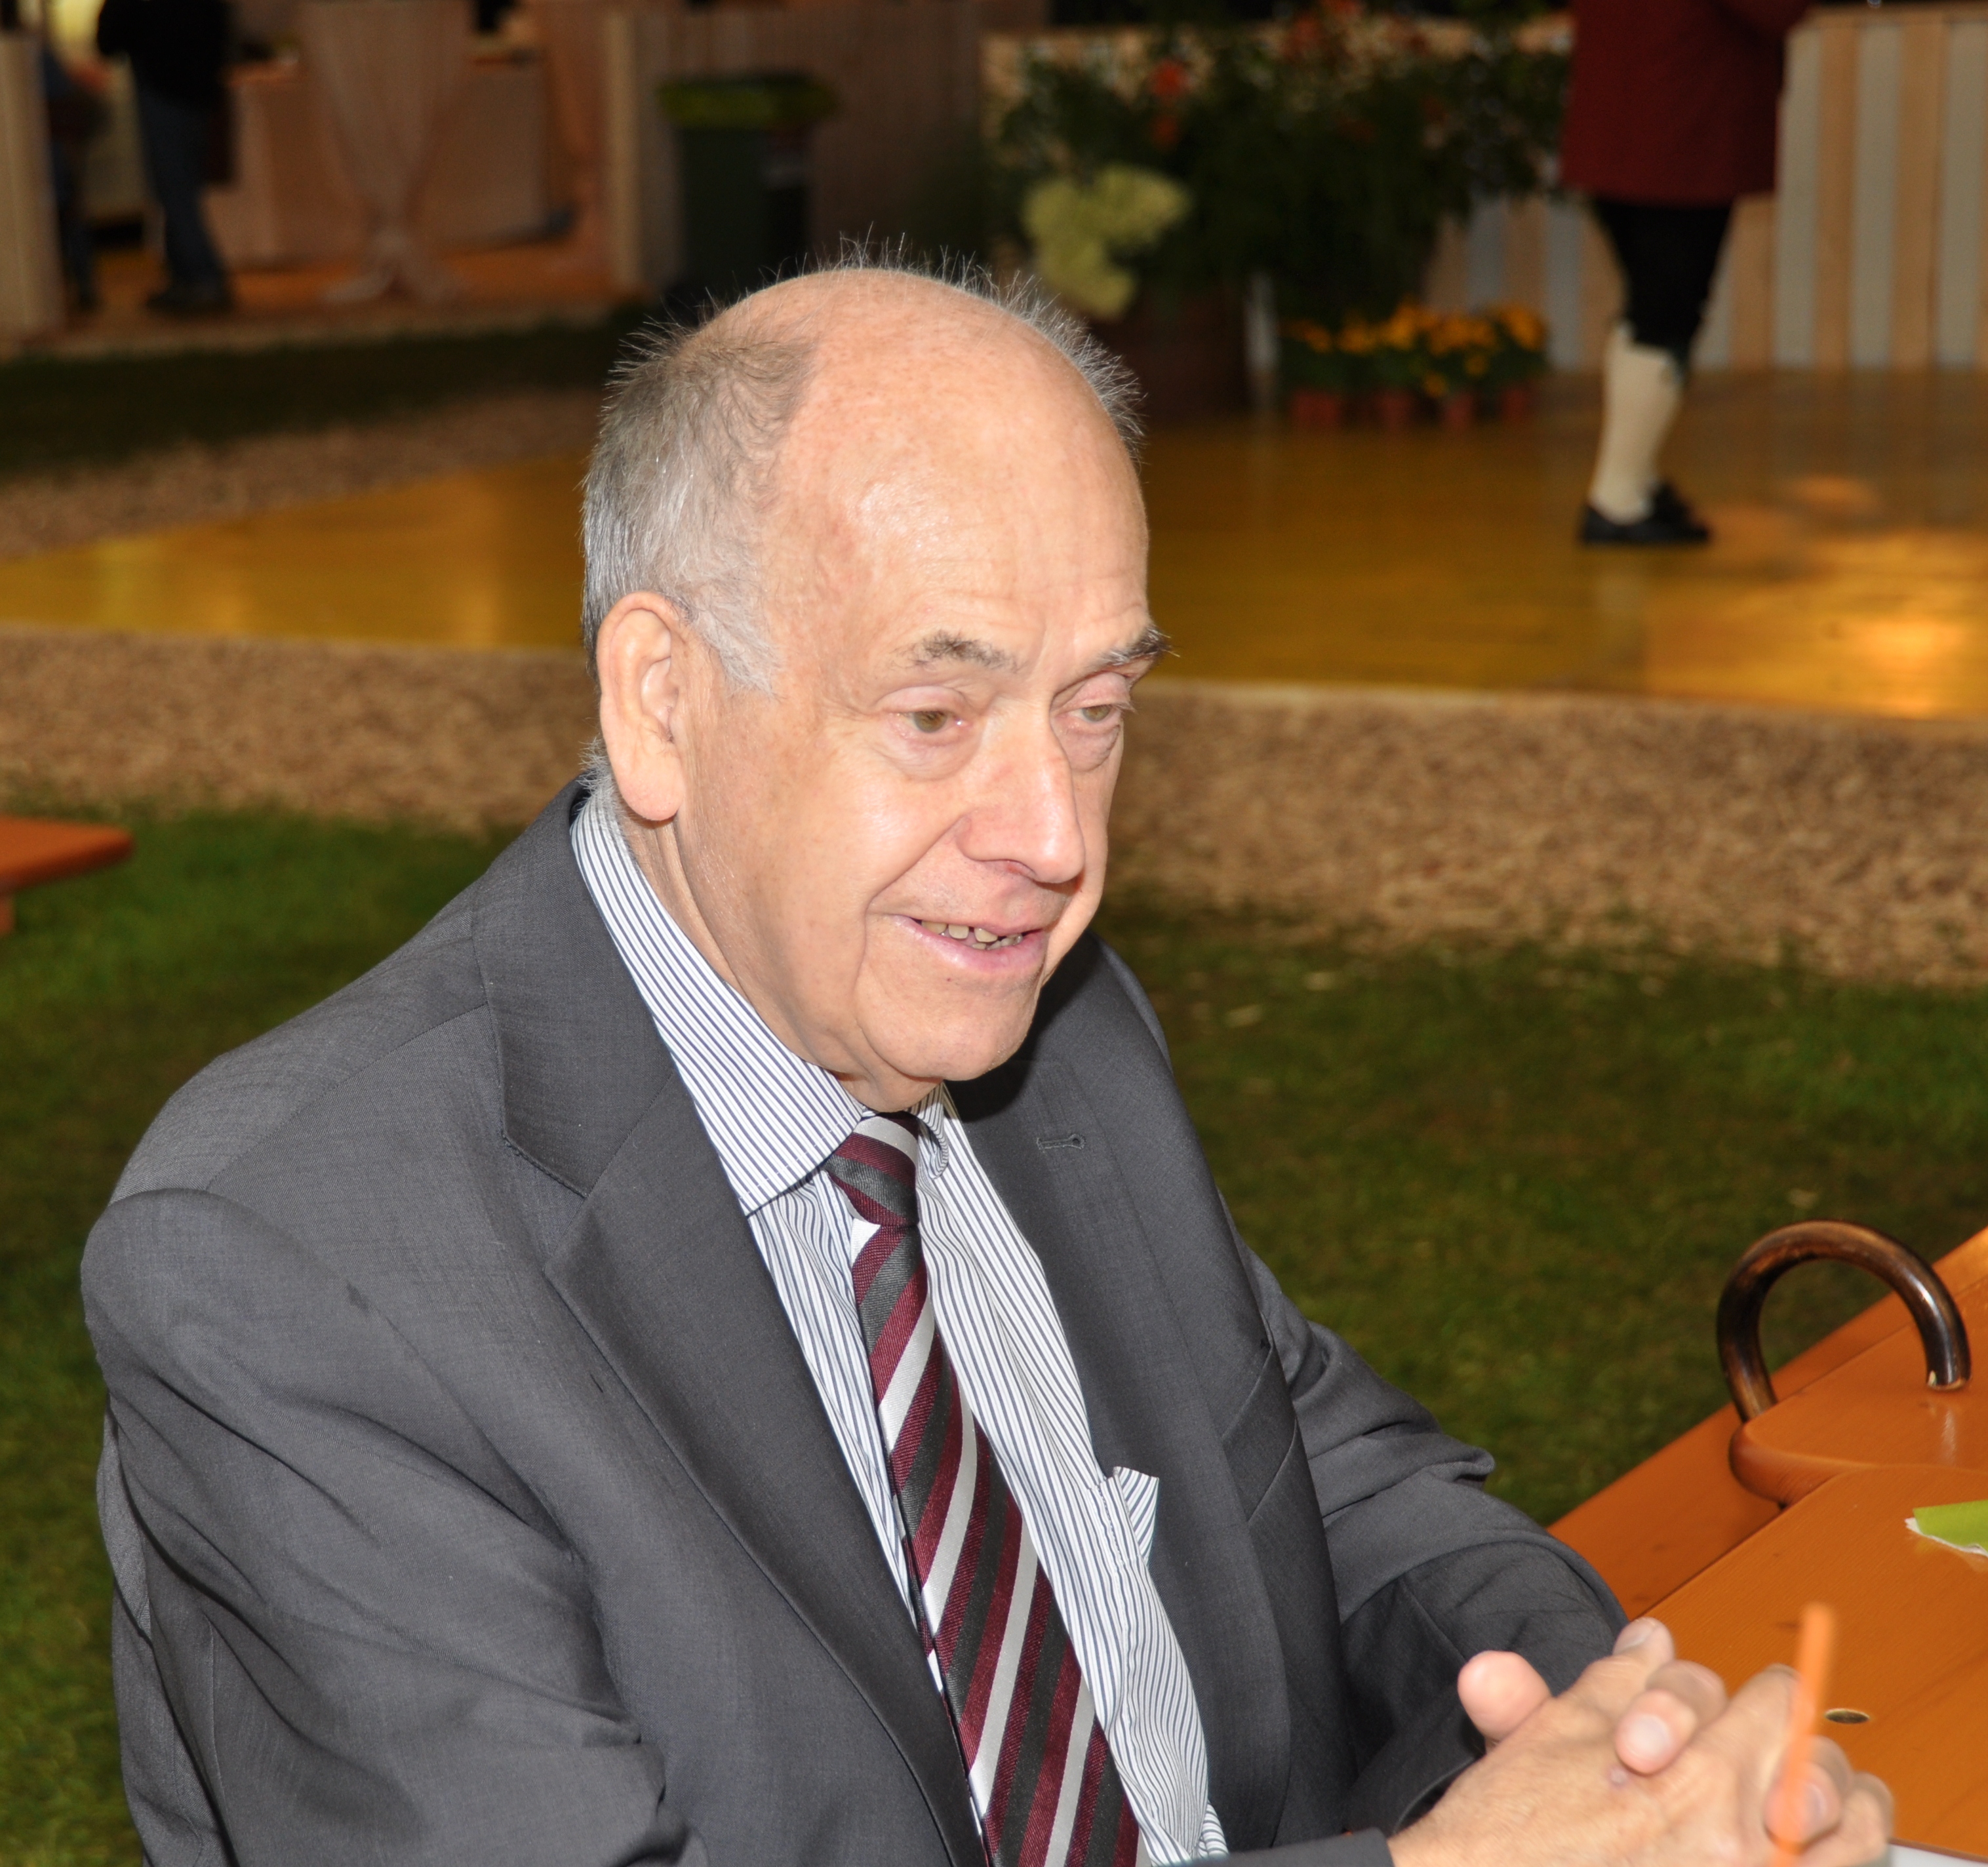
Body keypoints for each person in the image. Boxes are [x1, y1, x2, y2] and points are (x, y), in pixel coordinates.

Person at [83, 263, 1890, 1866]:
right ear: (661, 700)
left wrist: (1615, 1738)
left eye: (1097, 710)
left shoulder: (1047, 1020)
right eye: (936, 713)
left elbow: (1334, 1483)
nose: (1052, 841)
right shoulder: (297, 1263)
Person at [1562, 0, 1811, 545]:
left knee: (1648, 310)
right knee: (1665, 315)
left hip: (1616, 119)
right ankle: (1618, 499)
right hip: (1683, 129)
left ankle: (1633, 476)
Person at [94, 0, 232, 313]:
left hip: (163, 85)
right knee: (179, 188)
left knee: (175, 189)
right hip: (195, 88)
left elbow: (111, 34)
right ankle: (186, 276)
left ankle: (202, 277)